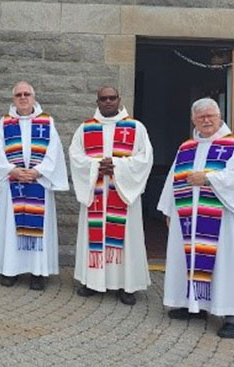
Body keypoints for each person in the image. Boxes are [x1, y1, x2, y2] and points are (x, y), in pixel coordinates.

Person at [157, 98, 234, 339]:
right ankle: (196, 306)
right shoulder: (186, 147)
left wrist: (209, 179)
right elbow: (173, 179)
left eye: (210, 116)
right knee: (191, 260)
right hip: (189, 219)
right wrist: (169, 210)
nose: (206, 120)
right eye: (201, 117)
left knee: (229, 264)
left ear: (220, 117)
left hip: (224, 220)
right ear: (193, 120)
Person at [69, 86, 153, 304]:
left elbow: (145, 160)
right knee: (93, 237)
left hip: (123, 194)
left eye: (112, 98)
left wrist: (116, 165)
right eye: (103, 99)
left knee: (126, 239)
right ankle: (92, 282)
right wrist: (97, 166)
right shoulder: (86, 128)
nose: (108, 102)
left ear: (119, 99)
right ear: (97, 102)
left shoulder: (136, 127)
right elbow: (75, 157)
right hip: (95, 193)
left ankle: (127, 286)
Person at [0, 82, 68, 290]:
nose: (23, 98)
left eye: (27, 94)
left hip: (37, 182)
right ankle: (10, 271)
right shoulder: (4, 123)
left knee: (38, 229)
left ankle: (38, 273)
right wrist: (11, 170)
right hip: (11, 183)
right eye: (18, 95)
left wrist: (38, 171)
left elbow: (54, 152)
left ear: (34, 96)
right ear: (13, 99)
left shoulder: (47, 122)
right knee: (11, 228)